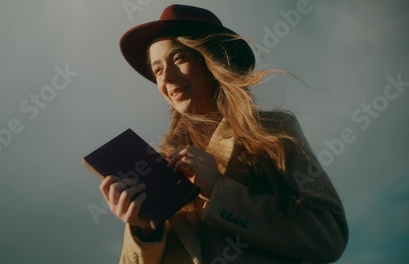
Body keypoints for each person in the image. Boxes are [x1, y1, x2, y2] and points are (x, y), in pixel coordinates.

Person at [99, 4, 349, 264]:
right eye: (158, 69)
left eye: (179, 58)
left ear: (214, 61)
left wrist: (219, 190)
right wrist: (144, 230)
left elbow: (327, 236)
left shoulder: (272, 131)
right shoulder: (156, 167)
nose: (167, 79)